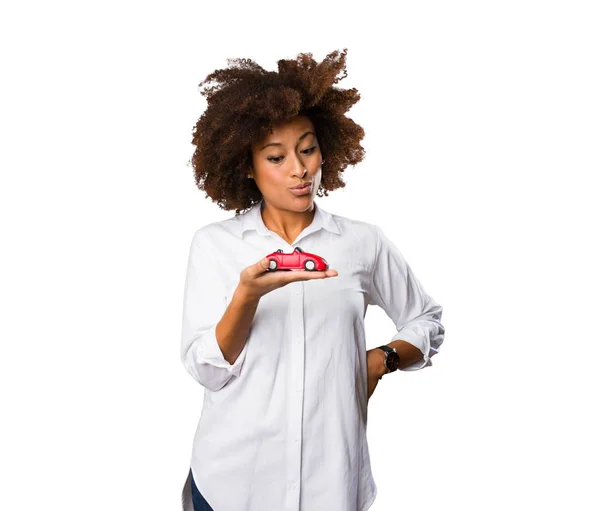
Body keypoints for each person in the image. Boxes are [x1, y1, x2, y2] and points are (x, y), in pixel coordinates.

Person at [179, 48, 445, 511]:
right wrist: (246, 295)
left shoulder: (361, 242)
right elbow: (206, 369)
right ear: (247, 165)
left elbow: (426, 318)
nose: (300, 170)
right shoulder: (215, 246)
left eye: (307, 149)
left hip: (332, 483)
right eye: (276, 157)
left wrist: (382, 358)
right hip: (233, 484)